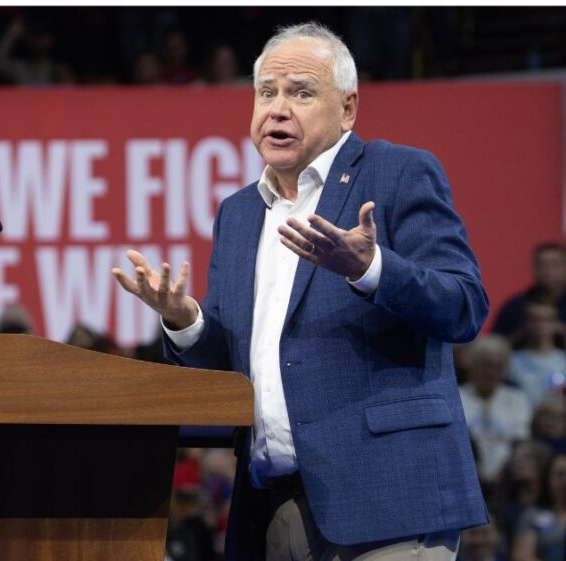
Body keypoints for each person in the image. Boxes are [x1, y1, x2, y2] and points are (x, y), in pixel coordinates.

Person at [113, 23, 487, 559]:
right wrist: (186, 321)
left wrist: (372, 268)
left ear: (348, 109)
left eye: (301, 93)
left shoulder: (398, 172)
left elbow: (464, 305)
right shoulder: (239, 212)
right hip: (273, 509)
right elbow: (235, 364)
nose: (278, 108)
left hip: (389, 502)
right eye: (267, 92)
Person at [458, 335, 532, 481]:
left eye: (498, 367)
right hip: (464, 473)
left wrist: (503, 472)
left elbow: (520, 442)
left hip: (508, 477)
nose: (491, 373)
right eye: (486, 365)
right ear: (472, 365)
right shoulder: (457, 397)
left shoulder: (516, 398)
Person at [492, 243, 566, 346]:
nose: (548, 271)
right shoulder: (515, 306)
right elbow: (495, 345)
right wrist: (524, 334)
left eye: (555, 264)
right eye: (542, 265)